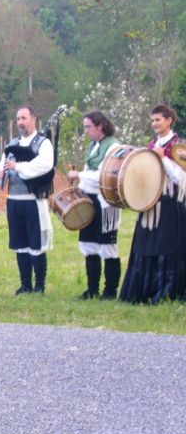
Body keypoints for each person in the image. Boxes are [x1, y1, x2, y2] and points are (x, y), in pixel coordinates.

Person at [120, 104, 185, 303]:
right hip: (149, 206)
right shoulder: (151, 145)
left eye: (158, 120)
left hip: (169, 206)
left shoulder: (179, 146)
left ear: (169, 120)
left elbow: (181, 177)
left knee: (166, 248)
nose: (154, 124)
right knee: (145, 247)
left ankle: (165, 293)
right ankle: (143, 292)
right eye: (152, 120)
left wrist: (163, 158)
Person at [0, 106, 54, 295]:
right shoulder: (12, 144)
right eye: (18, 118)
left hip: (33, 199)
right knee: (20, 244)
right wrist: (1, 173)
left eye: (24, 118)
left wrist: (18, 167)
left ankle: (39, 286)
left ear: (33, 119)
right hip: (14, 200)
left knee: (35, 244)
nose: (20, 122)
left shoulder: (42, 143)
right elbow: (1, 168)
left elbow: (45, 164)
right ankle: (25, 285)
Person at [67, 111, 122, 299]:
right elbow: (88, 171)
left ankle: (110, 292)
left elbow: (104, 175)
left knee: (107, 247)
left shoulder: (113, 146)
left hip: (106, 203)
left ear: (100, 126)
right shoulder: (93, 145)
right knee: (89, 245)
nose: (87, 131)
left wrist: (80, 176)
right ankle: (92, 290)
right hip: (90, 200)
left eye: (88, 127)